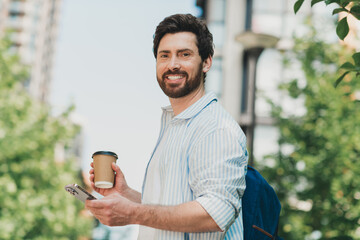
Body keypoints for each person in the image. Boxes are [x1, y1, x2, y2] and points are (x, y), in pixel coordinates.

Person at [85, 13, 248, 239]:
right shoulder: (176, 124)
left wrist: (133, 213)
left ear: (207, 62)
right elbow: (169, 208)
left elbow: (215, 213)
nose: (173, 64)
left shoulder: (215, 128)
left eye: (185, 54)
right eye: (164, 55)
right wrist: (127, 195)